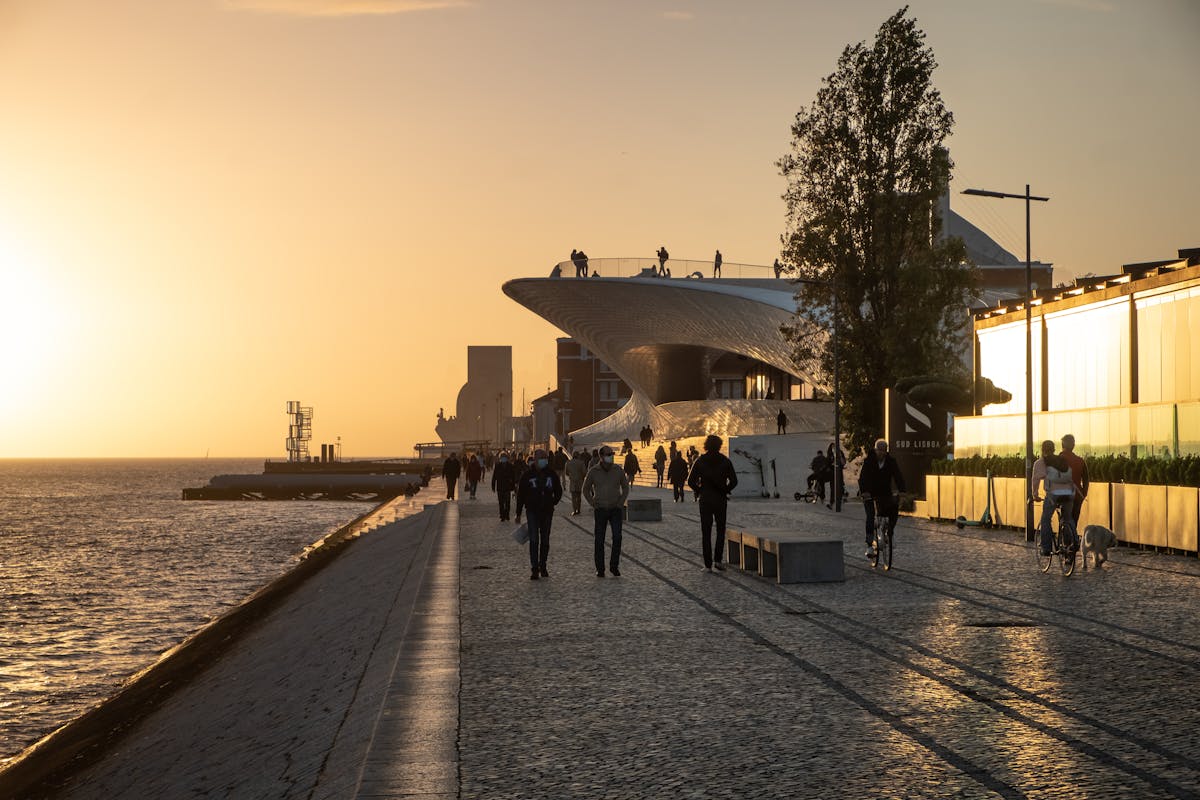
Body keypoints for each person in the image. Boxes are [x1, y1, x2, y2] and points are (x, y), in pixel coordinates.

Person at [687, 434, 738, 571]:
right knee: (721, 529)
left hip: (705, 499)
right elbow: (734, 481)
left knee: (706, 531)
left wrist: (699, 490)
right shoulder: (725, 461)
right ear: (719, 445)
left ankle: (707, 564)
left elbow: (690, 481)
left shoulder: (700, 461)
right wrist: (726, 490)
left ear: (706, 445)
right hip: (720, 499)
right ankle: (718, 560)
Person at [582, 445, 630, 577]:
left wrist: (621, 503)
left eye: (612, 454)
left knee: (617, 537)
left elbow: (625, 487)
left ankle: (614, 566)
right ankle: (600, 568)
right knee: (599, 540)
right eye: (609, 454)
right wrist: (592, 503)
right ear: (602, 456)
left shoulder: (618, 469)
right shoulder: (593, 471)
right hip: (601, 509)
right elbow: (585, 489)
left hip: (615, 508)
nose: (611, 456)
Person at [515, 448, 563, 580]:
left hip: (547, 511)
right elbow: (521, 494)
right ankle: (534, 568)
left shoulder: (551, 474)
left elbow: (558, 490)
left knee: (545, 539)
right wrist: (518, 513)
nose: (543, 460)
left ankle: (543, 565)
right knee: (534, 539)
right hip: (532, 511)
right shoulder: (527, 475)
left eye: (545, 457)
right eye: (541, 457)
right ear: (535, 460)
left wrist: (553, 502)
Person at [858, 439, 906, 558]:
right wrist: (864, 492)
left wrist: (902, 490)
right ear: (875, 450)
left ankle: (889, 533)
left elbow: (898, 475)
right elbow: (862, 477)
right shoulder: (869, 461)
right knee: (870, 516)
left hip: (884, 493)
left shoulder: (891, 461)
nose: (882, 453)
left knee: (893, 511)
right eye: (879, 451)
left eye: (884, 451)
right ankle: (869, 545)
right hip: (869, 493)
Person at [1032, 439, 1078, 557]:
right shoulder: (1061, 460)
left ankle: (1046, 548)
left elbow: (1036, 479)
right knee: (1068, 518)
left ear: (1042, 450)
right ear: (1054, 449)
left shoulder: (1040, 462)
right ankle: (1074, 543)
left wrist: (1035, 495)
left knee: (1046, 519)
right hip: (1069, 492)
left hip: (1053, 494)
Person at [1060, 433, 1089, 529]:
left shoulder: (1059, 459)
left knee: (1064, 519)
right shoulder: (1080, 461)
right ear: (1073, 445)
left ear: (1062, 445)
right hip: (1078, 494)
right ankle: (1073, 540)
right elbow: (1086, 478)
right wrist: (1084, 493)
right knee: (1074, 520)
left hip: (1063, 494)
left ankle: (1065, 540)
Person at [491, 451, 517, 521]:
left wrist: (513, 486)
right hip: (500, 487)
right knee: (501, 502)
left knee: (507, 502)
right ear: (500, 458)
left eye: (505, 458)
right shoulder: (497, 466)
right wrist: (493, 485)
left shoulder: (510, 466)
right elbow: (494, 477)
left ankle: (507, 514)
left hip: (507, 487)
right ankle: (502, 515)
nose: (503, 459)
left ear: (507, 458)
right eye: (502, 458)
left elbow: (513, 476)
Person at [565, 450, 589, 516]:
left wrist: (571, 475)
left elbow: (566, 472)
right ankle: (578, 509)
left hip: (572, 481)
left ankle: (574, 510)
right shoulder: (581, 463)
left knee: (573, 497)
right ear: (578, 456)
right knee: (578, 496)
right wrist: (582, 477)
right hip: (580, 481)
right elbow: (584, 472)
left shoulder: (568, 462)